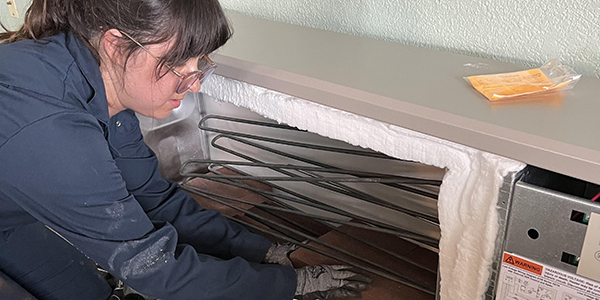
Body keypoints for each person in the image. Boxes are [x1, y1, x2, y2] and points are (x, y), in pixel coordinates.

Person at [0, 0, 371, 299]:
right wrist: (291, 286)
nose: (193, 84)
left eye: (200, 62)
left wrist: (262, 251)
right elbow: (152, 266)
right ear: (116, 45)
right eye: (179, 63)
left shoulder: (99, 84)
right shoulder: (50, 128)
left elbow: (155, 199)